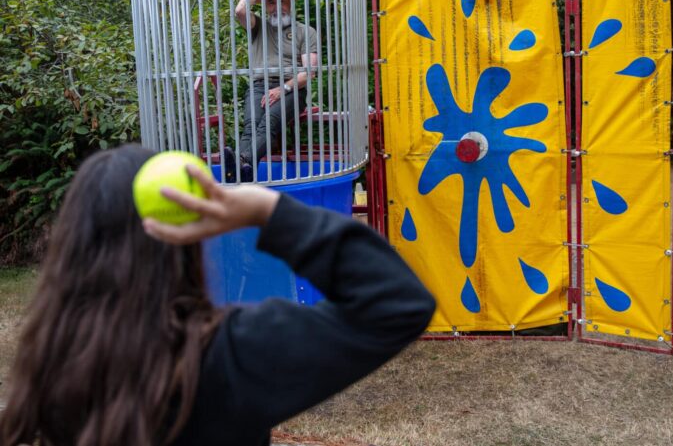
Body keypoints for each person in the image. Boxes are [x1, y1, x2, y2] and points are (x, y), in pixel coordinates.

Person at [0, 145, 435, 446]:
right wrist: (268, 210)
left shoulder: (49, 367)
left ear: (71, 248)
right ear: (183, 243)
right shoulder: (228, 354)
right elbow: (396, 302)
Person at [225, 0, 319, 182]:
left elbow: (309, 72)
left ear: (291, 2)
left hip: (292, 89)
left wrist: (283, 89)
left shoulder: (305, 31)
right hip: (259, 85)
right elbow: (240, 10)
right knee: (251, 126)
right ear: (265, 6)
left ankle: (239, 167)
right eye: (270, 1)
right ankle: (244, 174)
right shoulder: (258, 26)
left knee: (269, 122)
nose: (277, 6)